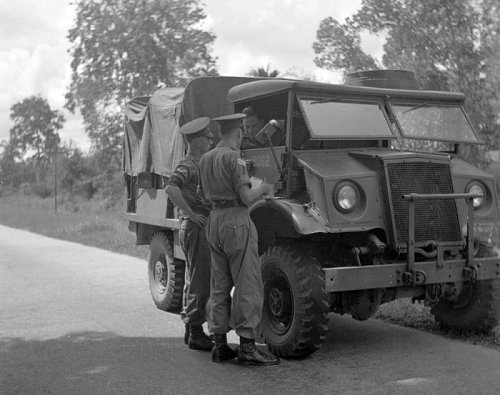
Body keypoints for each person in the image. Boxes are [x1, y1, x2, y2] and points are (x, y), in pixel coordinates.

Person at [199, 113, 280, 366]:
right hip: (236, 220)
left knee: (219, 284)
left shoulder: (205, 158)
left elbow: (202, 196)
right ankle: (247, 346)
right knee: (248, 282)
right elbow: (246, 197)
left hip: (214, 220)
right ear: (239, 132)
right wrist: (264, 188)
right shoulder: (235, 158)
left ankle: (220, 345)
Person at [165, 117, 214, 351]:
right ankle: (196, 331)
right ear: (195, 142)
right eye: (207, 137)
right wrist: (191, 214)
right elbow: (171, 187)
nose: (211, 140)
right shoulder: (189, 164)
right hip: (195, 227)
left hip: (194, 227)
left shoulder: (199, 162)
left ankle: (190, 328)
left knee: (192, 278)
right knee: (200, 280)